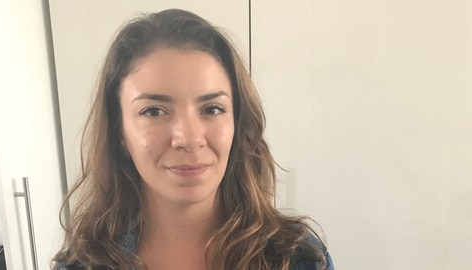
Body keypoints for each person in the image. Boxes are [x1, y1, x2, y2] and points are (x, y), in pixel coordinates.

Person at [53, 8, 334, 270]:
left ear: (238, 123)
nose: (189, 138)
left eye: (212, 109)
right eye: (154, 111)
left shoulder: (298, 258)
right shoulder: (81, 265)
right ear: (120, 132)